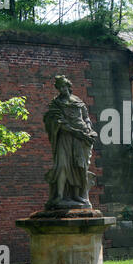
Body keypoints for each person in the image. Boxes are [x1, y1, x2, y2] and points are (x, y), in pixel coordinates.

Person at [43, 75, 97, 209]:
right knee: (62, 165)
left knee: (80, 166)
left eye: (64, 86)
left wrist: (88, 128)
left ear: (68, 86)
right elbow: (56, 121)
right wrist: (72, 130)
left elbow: (86, 117)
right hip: (65, 137)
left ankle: (80, 195)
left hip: (81, 137)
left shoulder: (78, 101)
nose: (62, 89)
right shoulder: (56, 104)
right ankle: (60, 196)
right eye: (59, 87)